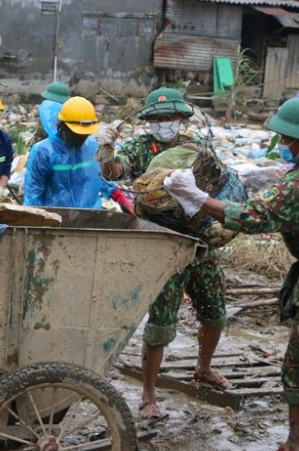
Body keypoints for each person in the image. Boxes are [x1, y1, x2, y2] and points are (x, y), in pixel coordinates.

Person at [162, 97, 299, 451]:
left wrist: (197, 197)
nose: (283, 143)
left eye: (287, 138)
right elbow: (298, 190)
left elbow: (253, 217)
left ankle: (295, 450)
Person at [98, 87, 229, 419]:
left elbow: (219, 184)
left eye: (169, 118)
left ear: (182, 119)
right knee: (160, 323)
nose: (163, 124)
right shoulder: (141, 148)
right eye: (156, 119)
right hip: (163, 244)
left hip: (199, 242)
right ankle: (148, 395)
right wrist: (107, 150)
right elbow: (115, 173)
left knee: (214, 310)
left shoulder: (196, 150)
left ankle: (203, 368)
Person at [24, 96, 104, 209]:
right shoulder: (44, 151)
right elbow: (33, 192)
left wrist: (117, 195)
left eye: (85, 134)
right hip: (55, 219)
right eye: (77, 134)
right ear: (63, 126)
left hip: (89, 218)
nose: (81, 138)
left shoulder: (92, 146)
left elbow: (100, 177)